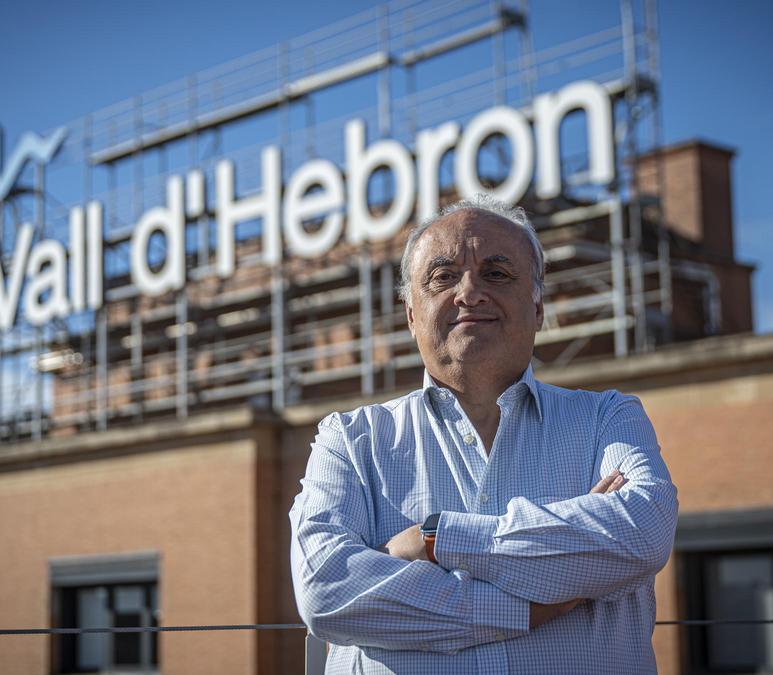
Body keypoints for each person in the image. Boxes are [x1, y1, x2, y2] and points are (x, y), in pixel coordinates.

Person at [289, 194, 678, 674]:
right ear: (412, 316)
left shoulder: (607, 418)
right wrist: (524, 603)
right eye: (443, 276)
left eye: (497, 274)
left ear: (537, 308)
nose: (469, 292)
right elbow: (325, 589)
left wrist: (435, 541)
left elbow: (642, 533)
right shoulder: (350, 440)